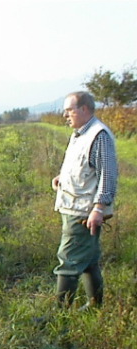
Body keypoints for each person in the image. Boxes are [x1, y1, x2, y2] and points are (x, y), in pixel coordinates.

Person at [51, 91, 118, 308]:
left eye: (69, 110)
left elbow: (107, 176)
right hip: (74, 206)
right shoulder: (80, 134)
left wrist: (98, 209)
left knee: (68, 261)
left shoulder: (98, 135)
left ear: (84, 109)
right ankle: (95, 307)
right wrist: (63, 179)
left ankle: (59, 315)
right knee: (89, 262)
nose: (65, 115)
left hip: (83, 212)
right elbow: (84, 168)